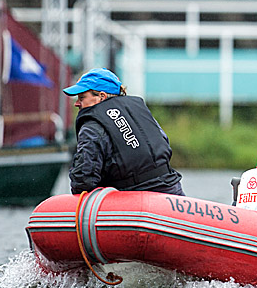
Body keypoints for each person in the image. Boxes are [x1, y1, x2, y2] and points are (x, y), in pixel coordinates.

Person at [65, 67, 185, 196]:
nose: (76, 103)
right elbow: (164, 143)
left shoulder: (92, 126)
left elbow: (84, 178)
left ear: (101, 96)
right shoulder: (140, 111)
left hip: (133, 199)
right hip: (172, 190)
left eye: (82, 97)